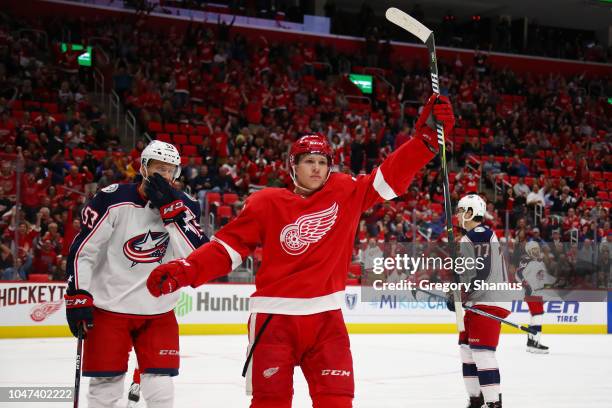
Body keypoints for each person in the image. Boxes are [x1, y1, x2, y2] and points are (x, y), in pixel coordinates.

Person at [146, 94, 456, 408]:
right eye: (309, 161)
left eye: (322, 162)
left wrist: (426, 140)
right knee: (271, 403)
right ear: (293, 166)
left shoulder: (346, 191)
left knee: (337, 402)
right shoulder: (266, 202)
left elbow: (388, 177)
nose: (317, 168)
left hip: (327, 322)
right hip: (274, 320)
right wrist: (186, 270)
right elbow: (227, 250)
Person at [64, 140, 208, 408]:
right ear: (143, 168)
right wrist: (77, 295)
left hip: (159, 311)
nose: (164, 175)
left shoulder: (185, 205)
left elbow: (197, 258)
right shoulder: (111, 198)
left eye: (170, 170)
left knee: (161, 390)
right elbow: (84, 251)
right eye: (158, 168)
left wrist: (171, 213)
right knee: (104, 390)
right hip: (108, 308)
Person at [449, 194, 510, 408]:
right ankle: (476, 400)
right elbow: (471, 273)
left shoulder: (480, 233)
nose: (457, 215)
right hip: (478, 301)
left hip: (489, 299)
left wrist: (463, 294)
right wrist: (457, 292)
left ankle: (493, 403)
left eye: (460, 210)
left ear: (470, 213)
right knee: (466, 350)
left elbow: (482, 271)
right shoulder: (470, 238)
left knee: (482, 352)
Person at [516, 241, 553, 354]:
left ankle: (531, 343)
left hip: (538, 294)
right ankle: (535, 344)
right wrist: (526, 284)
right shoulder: (526, 260)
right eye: (533, 249)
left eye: (537, 249)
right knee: (537, 316)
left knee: (535, 317)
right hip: (531, 294)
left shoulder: (539, 262)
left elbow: (541, 278)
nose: (536, 251)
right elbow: (518, 274)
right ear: (528, 251)